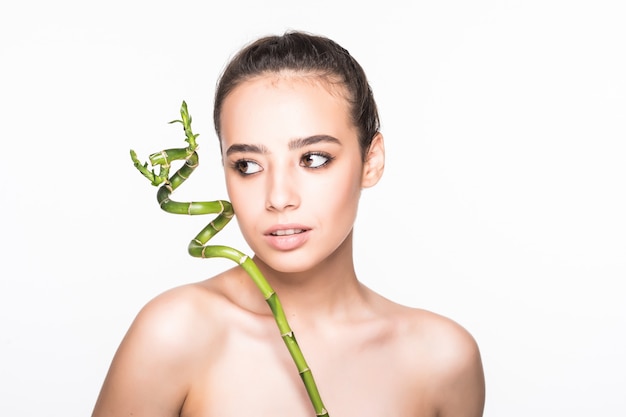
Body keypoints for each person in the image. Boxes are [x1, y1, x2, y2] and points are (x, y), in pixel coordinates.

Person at [92, 31, 485, 417]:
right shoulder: (176, 333)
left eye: (314, 159)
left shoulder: (442, 360)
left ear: (371, 161)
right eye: (248, 165)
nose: (278, 197)